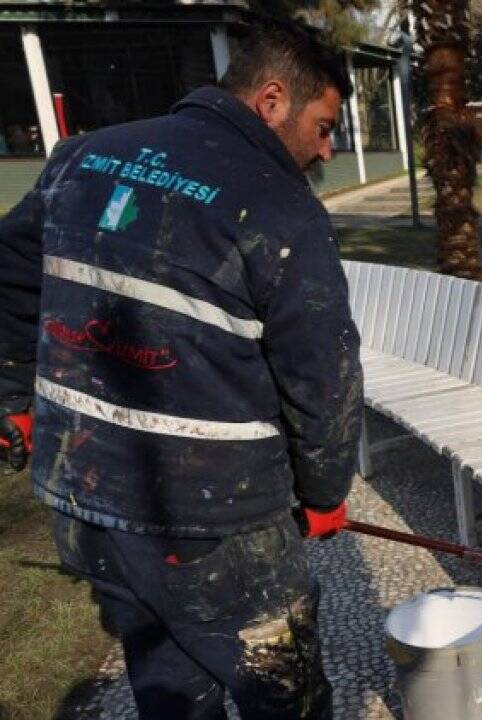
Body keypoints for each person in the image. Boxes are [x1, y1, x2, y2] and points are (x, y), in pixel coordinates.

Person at [0, 21, 363, 719]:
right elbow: (323, 380)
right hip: (217, 526)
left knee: (169, 688)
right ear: (273, 99)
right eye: (323, 126)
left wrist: (14, 397)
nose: (328, 148)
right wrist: (323, 492)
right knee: (282, 696)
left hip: (86, 505)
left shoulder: (81, 158)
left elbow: (10, 281)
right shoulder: (284, 210)